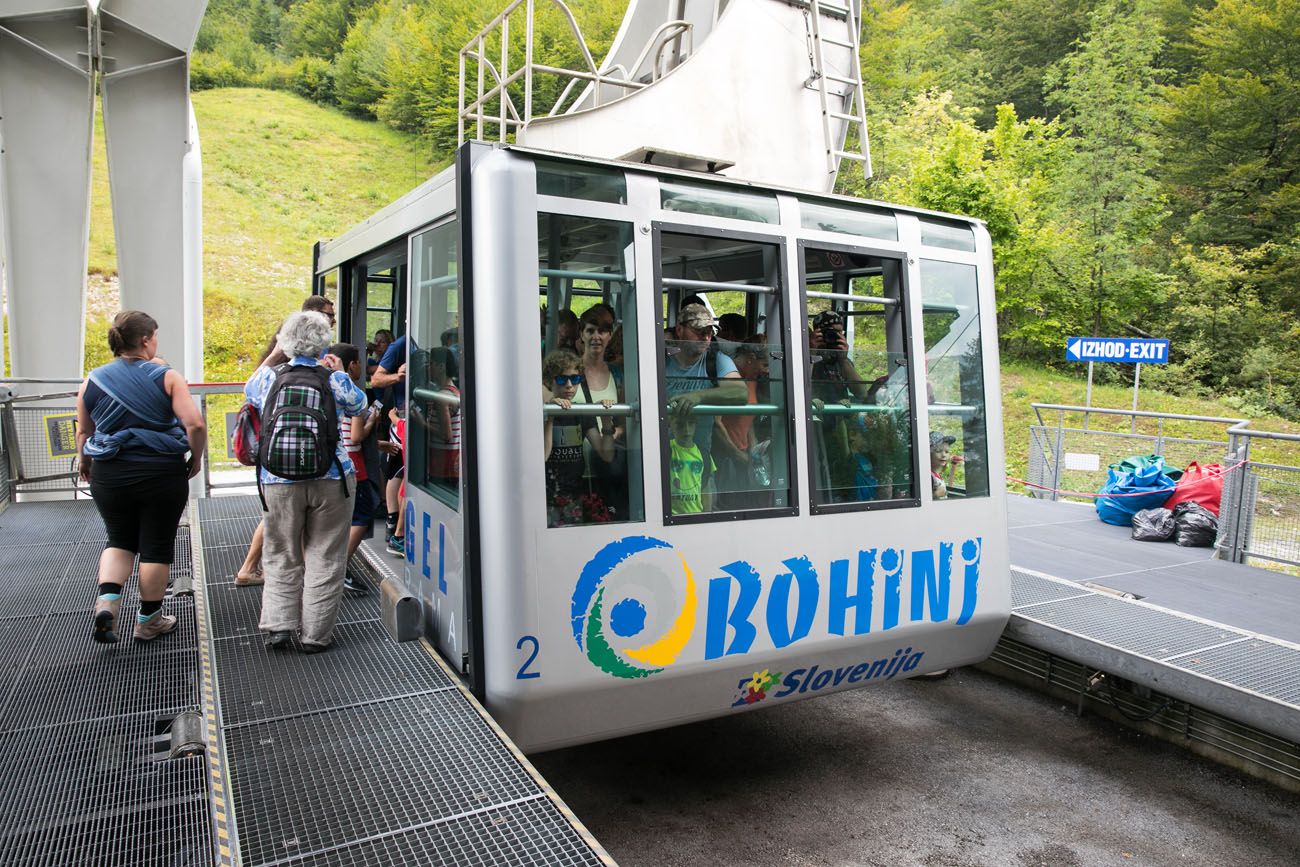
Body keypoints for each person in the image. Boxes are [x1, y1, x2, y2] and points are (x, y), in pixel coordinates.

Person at [78, 311, 207, 643]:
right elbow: (195, 424)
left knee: (119, 539)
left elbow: (84, 431)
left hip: (109, 472)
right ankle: (148, 621)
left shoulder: (92, 380)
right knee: (156, 546)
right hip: (159, 471)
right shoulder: (167, 376)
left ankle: (107, 604)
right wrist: (196, 456)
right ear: (147, 339)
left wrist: (86, 462)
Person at [244, 312, 366, 653]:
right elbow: (360, 406)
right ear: (323, 343)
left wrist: (275, 354)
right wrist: (340, 373)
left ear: (286, 341)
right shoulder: (333, 380)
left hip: (278, 478)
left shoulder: (270, 378)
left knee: (281, 551)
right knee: (325, 556)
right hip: (332, 477)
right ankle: (315, 635)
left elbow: (250, 391)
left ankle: (279, 626)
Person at [663, 303, 746, 507]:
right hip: (662, 461)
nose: (706, 337)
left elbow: (740, 392)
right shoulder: (660, 360)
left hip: (699, 464)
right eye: (699, 331)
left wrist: (698, 396)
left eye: (709, 331)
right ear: (679, 330)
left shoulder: (716, 360)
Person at [330, 342, 381, 595]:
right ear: (351, 365)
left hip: (335, 463)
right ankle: (338, 570)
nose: (362, 366)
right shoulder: (352, 392)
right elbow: (358, 436)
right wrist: (372, 419)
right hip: (354, 464)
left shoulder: (328, 386)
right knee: (362, 516)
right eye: (360, 362)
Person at [543, 350, 615, 526]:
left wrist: (606, 422)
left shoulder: (581, 412)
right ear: (549, 381)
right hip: (546, 496)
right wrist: (550, 415)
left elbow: (607, 455)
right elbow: (542, 456)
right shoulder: (542, 411)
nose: (569, 385)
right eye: (561, 379)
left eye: (575, 379)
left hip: (575, 495)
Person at [573, 304, 626, 516]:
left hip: (605, 466)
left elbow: (623, 423)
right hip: (574, 466)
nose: (596, 336)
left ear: (610, 335)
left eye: (602, 331)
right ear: (581, 335)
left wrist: (613, 434)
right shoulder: (568, 371)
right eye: (590, 330)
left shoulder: (619, 374)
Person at [712, 339, 771, 510]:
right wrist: (735, 454)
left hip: (744, 456)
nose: (766, 371)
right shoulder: (727, 379)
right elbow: (716, 422)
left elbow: (748, 419)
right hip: (723, 458)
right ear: (750, 358)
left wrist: (753, 453)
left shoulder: (752, 379)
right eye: (765, 364)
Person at [371, 333, 408, 550]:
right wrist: (399, 377)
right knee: (399, 468)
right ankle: (393, 522)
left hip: (419, 416)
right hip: (402, 416)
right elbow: (376, 379)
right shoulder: (400, 345)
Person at [668, 414, 712, 515]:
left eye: (691, 423)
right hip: (671, 517)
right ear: (671, 424)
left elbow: (705, 488)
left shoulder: (703, 454)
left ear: (696, 425)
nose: (686, 430)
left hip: (696, 515)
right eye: (680, 424)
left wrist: (706, 516)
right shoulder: (666, 449)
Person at [929, 431, 962, 500]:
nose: (944, 455)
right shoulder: (929, 477)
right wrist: (936, 494)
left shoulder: (937, 474)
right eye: (938, 451)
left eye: (947, 452)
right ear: (929, 454)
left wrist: (954, 465)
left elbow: (949, 487)